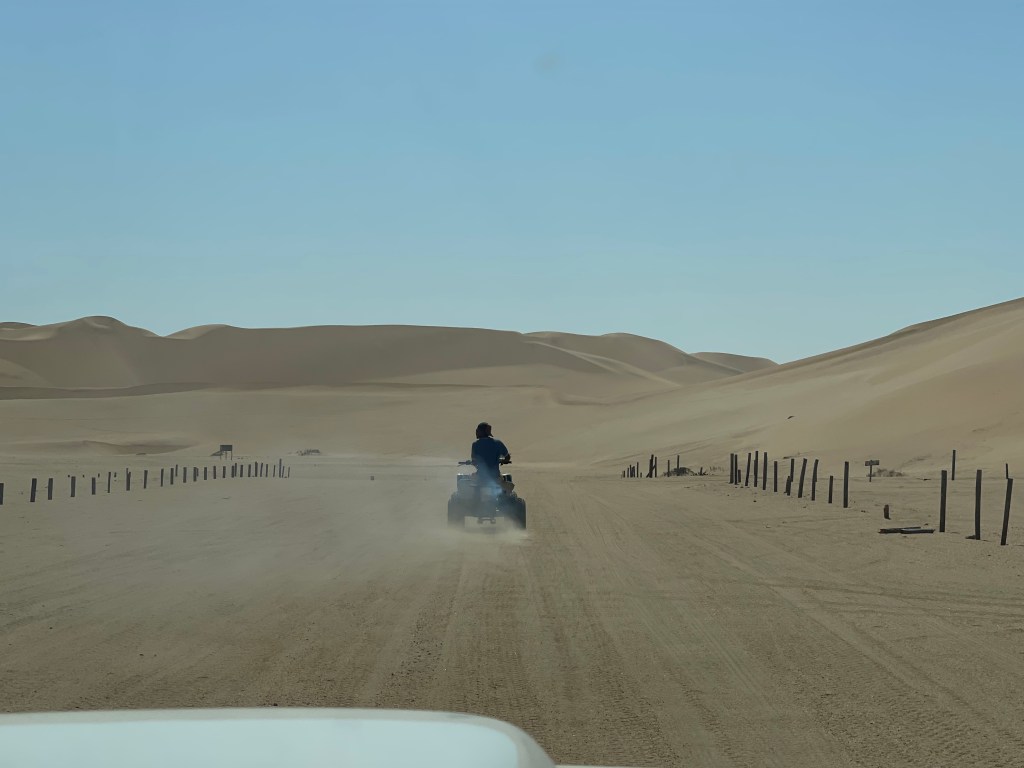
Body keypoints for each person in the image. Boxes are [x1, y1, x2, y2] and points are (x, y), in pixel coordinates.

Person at [470, 422, 512, 490]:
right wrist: (503, 460)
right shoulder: (498, 443)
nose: (476, 432)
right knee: (507, 486)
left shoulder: (475, 444)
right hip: (495, 477)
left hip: (480, 477)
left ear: (481, 432)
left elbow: (474, 461)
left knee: (470, 483)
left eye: (477, 431)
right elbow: (507, 457)